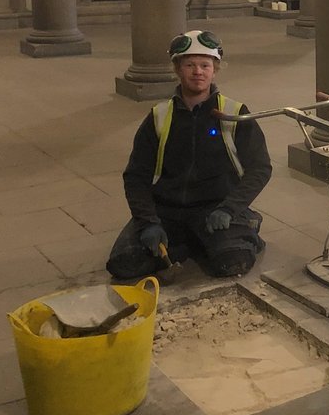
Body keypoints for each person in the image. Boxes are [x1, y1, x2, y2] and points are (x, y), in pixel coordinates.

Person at [106, 30, 272, 280]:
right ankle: (195, 242)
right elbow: (136, 176)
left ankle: (237, 230)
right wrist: (148, 221)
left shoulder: (235, 113)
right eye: (189, 65)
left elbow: (260, 168)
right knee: (125, 264)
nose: (198, 72)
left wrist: (230, 208)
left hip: (216, 209)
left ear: (214, 69)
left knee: (232, 263)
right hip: (167, 210)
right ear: (177, 69)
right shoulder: (159, 117)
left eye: (205, 65)